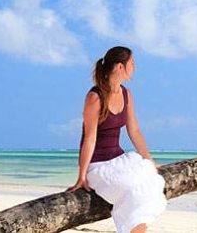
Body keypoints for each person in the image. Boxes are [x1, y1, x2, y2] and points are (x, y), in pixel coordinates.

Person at [67, 46, 166, 233]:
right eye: (132, 64)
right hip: (99, 165)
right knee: (131, 191)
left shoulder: (126, 93)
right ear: (120, 67)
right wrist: (81, 176)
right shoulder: (95, 97)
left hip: (119, 160)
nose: (134, 68)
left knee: (151, 183)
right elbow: (89, 139)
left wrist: (149, 159)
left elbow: (134, 130)